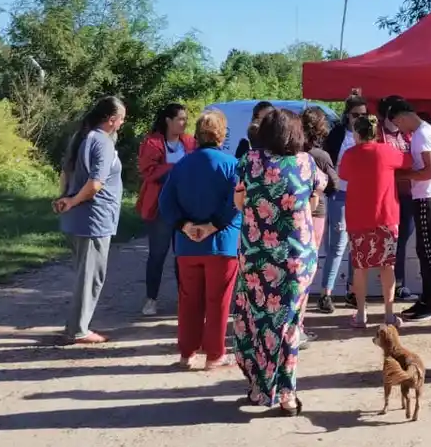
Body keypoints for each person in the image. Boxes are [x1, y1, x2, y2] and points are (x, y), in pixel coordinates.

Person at [232, 108, 320, 414]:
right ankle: (287, 396)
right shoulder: (306, 162)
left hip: (257, 257)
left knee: (257, 322)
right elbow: (314, 200)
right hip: (297, 259)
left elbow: (239, 202)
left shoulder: (250, 162)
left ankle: (259, 389)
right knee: (290, 325)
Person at [159, 111, 241, 369]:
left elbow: (165, 202)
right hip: (222, 243)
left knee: (188, 300)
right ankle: (215, 355)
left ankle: (187, 354)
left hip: (187, 244)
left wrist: (185, 226)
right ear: (222, 134)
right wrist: (213, 225)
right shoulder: (231, 165)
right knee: (218, 301)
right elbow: (237, 201)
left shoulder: (181, 165)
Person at [53, 95, 127, 346]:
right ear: (110, 120)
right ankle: (78, 329)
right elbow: (96, 183)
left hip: (77, 219)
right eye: (121, 120)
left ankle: (75, 325)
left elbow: (66, 172)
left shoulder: (81, 137)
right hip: (93, 219)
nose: (122, 125)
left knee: (84, 274)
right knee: (91, 276)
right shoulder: (103, 142)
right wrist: (73, 201)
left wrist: (64, 198)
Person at [338, 114, 408, 328]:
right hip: (386, 218)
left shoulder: (350, 155)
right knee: (387, 267)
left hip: (358, 219)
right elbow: (408, 161)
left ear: (357, 133)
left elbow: (344, 175)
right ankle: (388, 314)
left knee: (360, 268)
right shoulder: (388, 152)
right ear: (376, 133)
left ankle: (361, 314)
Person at [389, 99, 431, 321]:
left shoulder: (423, 135)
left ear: (402, 117)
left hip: (428, 196)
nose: (399, 129)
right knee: (425, 249)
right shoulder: (423, 132)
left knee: (427, 250)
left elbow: (428, 171)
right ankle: (427, 298)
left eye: (397, 124)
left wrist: (400, 176)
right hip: (426, 195)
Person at [137, 103, 195, 317]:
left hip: (184, 208)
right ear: (168, 121)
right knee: (157, 254)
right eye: (180, 118)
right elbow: (148, 171)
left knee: (183, 254)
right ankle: (151, 299)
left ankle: (185, 298)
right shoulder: (152, 143)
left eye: (185, 119)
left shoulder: (189, 142)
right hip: (159, 207)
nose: (184, 123)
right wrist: (178, 169)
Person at [313, 93, 368, 314]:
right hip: (340, 194)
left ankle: (354, 292)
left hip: (361, 194)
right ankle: (326, 294)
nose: (359, 119)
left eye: (364, 115)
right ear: (347, 115)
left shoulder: (368, 135)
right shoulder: (337, 134)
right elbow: (328, 163)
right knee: (337, 246)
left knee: (358, 245)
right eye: (356, 115)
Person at [297, 107, 339, 343]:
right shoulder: (320, 156)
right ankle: (298, 327)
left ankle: (296, 325)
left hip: (293, 212)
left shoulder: (290, 152)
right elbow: (334, 183)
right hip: (316, 213)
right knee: (306, 270)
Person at [378, 96, 416, 301]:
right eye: (391, 116)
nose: (395, 119)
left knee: (402, 238)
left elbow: (413, 159)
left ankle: (399, 283)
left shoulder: (407, 134)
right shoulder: (377, 135)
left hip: (408, 193)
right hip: (386, 194)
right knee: (385, 239)